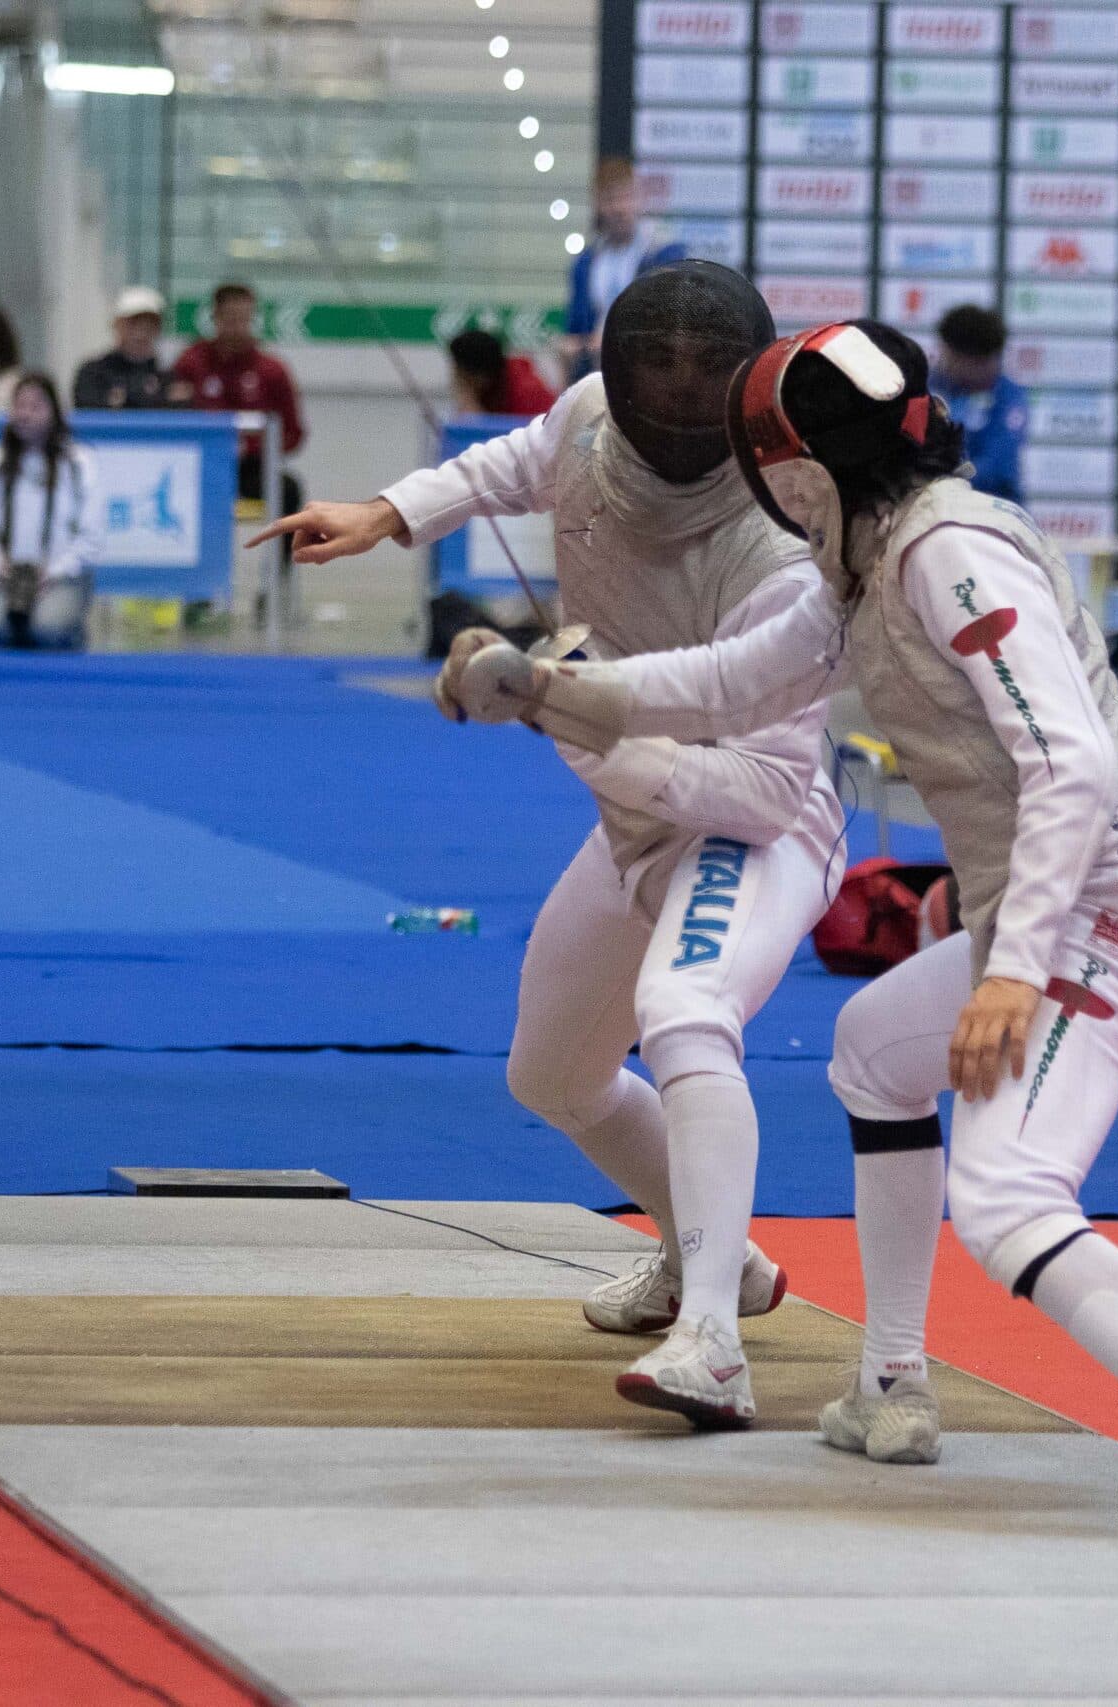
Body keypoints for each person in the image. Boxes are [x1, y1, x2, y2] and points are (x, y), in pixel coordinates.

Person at [441, 319, 1118, 1552]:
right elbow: (720, 683)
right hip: (1062, 911)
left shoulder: (952, 553)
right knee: (872, 1046)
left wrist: (1012, 969)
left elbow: (1072, 763)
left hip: (1112, 916)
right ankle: (890, 1382)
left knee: (1012, 1198)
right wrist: (541, 687)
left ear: (798, 466)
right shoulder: (863, 567)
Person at [251, 263, 839, 1427]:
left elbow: (766, 795)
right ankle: (717, 1258)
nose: (670, 399)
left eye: (697, 381)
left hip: (752, 828)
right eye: (650, 375)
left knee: (683, 1015)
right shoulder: (585, 423)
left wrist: (548, 703)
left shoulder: (778, 548)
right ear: (616, 382)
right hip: (637, 819)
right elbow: (507, 463)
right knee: (552, 1073)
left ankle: (714, 1339)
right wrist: (386, 514)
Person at [0, 372, 101, 650]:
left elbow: (92, 537)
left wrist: (56, 571)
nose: (25, 414)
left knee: (48, 629)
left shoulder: (79, 464)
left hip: (59, 576)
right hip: (5, 575)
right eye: (20, 406)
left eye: (36, 407)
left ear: (54, 413)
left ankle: (71, 629)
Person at [174, 282, 306, 533]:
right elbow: (174, 420)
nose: (237, 326)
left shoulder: (272, 371)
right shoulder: (191, 364)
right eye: (230, 318)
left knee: (288, 490)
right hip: (202, 464)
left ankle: (282, 567)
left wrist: (253, 447)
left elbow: (293, 433)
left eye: (244, 318)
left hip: (253, 468)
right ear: (215, 318)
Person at [561, 159, 688, 383]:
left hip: (647, 363)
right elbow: (574, 328)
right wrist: (576, 346)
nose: (619, 208)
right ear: (598, 205)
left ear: (641, 199)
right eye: (611, 200)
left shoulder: (665, 254)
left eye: (626, 198)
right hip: (593, 365)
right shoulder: (585, 263)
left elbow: (670, 324)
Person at [929, 304, 1027, 504]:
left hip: (997, 511)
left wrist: (941, 477)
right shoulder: (927, 389)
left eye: (947, 356)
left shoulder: (1008, 396)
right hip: (937, 508)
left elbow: (998, 467)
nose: (943, 361)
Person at [71, 286, 180, 411]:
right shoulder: (93, 373)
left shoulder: (167, 378)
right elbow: (87, 410)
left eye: (150, 325)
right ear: (116, 325)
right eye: (132, 323)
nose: (141, 332)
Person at [447, 326, 558, 418]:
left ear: (478, 376)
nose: (456, 377)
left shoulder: (527, 391)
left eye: (460, 373)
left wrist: (469, 403)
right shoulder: (485, 388)